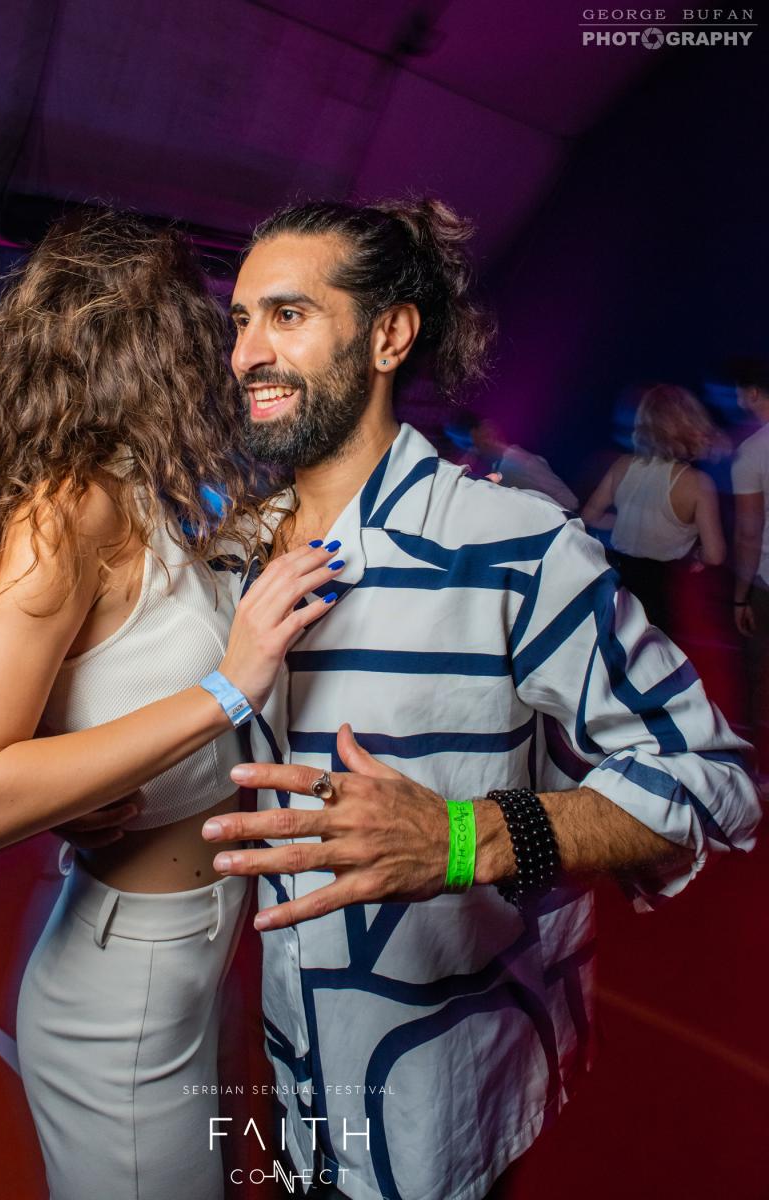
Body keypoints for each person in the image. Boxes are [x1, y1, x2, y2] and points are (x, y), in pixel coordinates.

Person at [188, 199, 759, 1200]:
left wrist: (465, 838)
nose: (247, 354)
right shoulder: (235, 553)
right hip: (295, 1069)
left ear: (389, 335)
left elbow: (712, 781)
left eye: (287, 315)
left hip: (443, 1100)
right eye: (240, 322)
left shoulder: (516, 546)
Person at [0, 209, 341, 1200]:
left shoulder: (146, 489)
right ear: (151, 344)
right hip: (125, 997)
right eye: (207, 323)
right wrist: (224, 689)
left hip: (192, 960)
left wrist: (78, 778)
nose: (228, 351)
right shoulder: (63, 512)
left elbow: (103, 676)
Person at [581, 384, 725, 632]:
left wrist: (626, 522)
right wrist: (698, 556)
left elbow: (590, 516)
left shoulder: (622, 465)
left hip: (618, 579)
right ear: (690, 424)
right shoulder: (697, 483)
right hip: (664, 588)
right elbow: (715, 554)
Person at [730, 359, 769, 785]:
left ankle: (762, 774)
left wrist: (740, 595)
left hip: (766, 583)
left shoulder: (754, 451)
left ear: (752, 393)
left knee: (759, 683)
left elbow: (748, 531)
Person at [455, 410, 578, 509]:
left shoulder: (522, 460)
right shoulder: (495, 468)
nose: (472, 450)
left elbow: (570, 501)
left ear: (487, 429)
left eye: (473, 443)